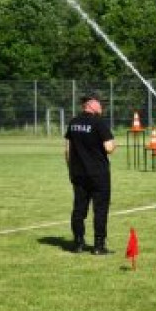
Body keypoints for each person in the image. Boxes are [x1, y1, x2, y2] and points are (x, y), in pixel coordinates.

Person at [65, 93, 116, 254]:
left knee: (79, 208)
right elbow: (109, 148)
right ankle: (99, 246)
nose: (102, 106)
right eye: (100, 104)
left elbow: (67, 150)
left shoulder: (73, 123)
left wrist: (71, 170)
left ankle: (78, 242)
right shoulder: (99, 123)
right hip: (98, 174)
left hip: (78, 173)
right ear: (91, 104)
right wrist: (115, 145)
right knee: (100, 209)